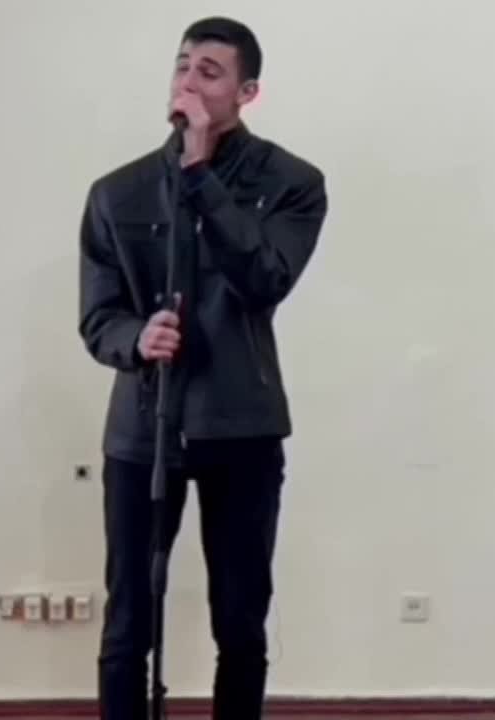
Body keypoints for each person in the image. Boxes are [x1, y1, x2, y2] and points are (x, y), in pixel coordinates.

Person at [77, 15, 328, 720]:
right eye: (182, 65)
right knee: (128, 620)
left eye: (209, 72)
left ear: (247, 92)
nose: (188, 81)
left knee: (241, 621)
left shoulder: (293, 183)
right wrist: (136, 337)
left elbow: (266, 278)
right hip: (143, 432)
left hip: (241, 427)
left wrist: (199, 175)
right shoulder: (118, 192)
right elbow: (98, 316)